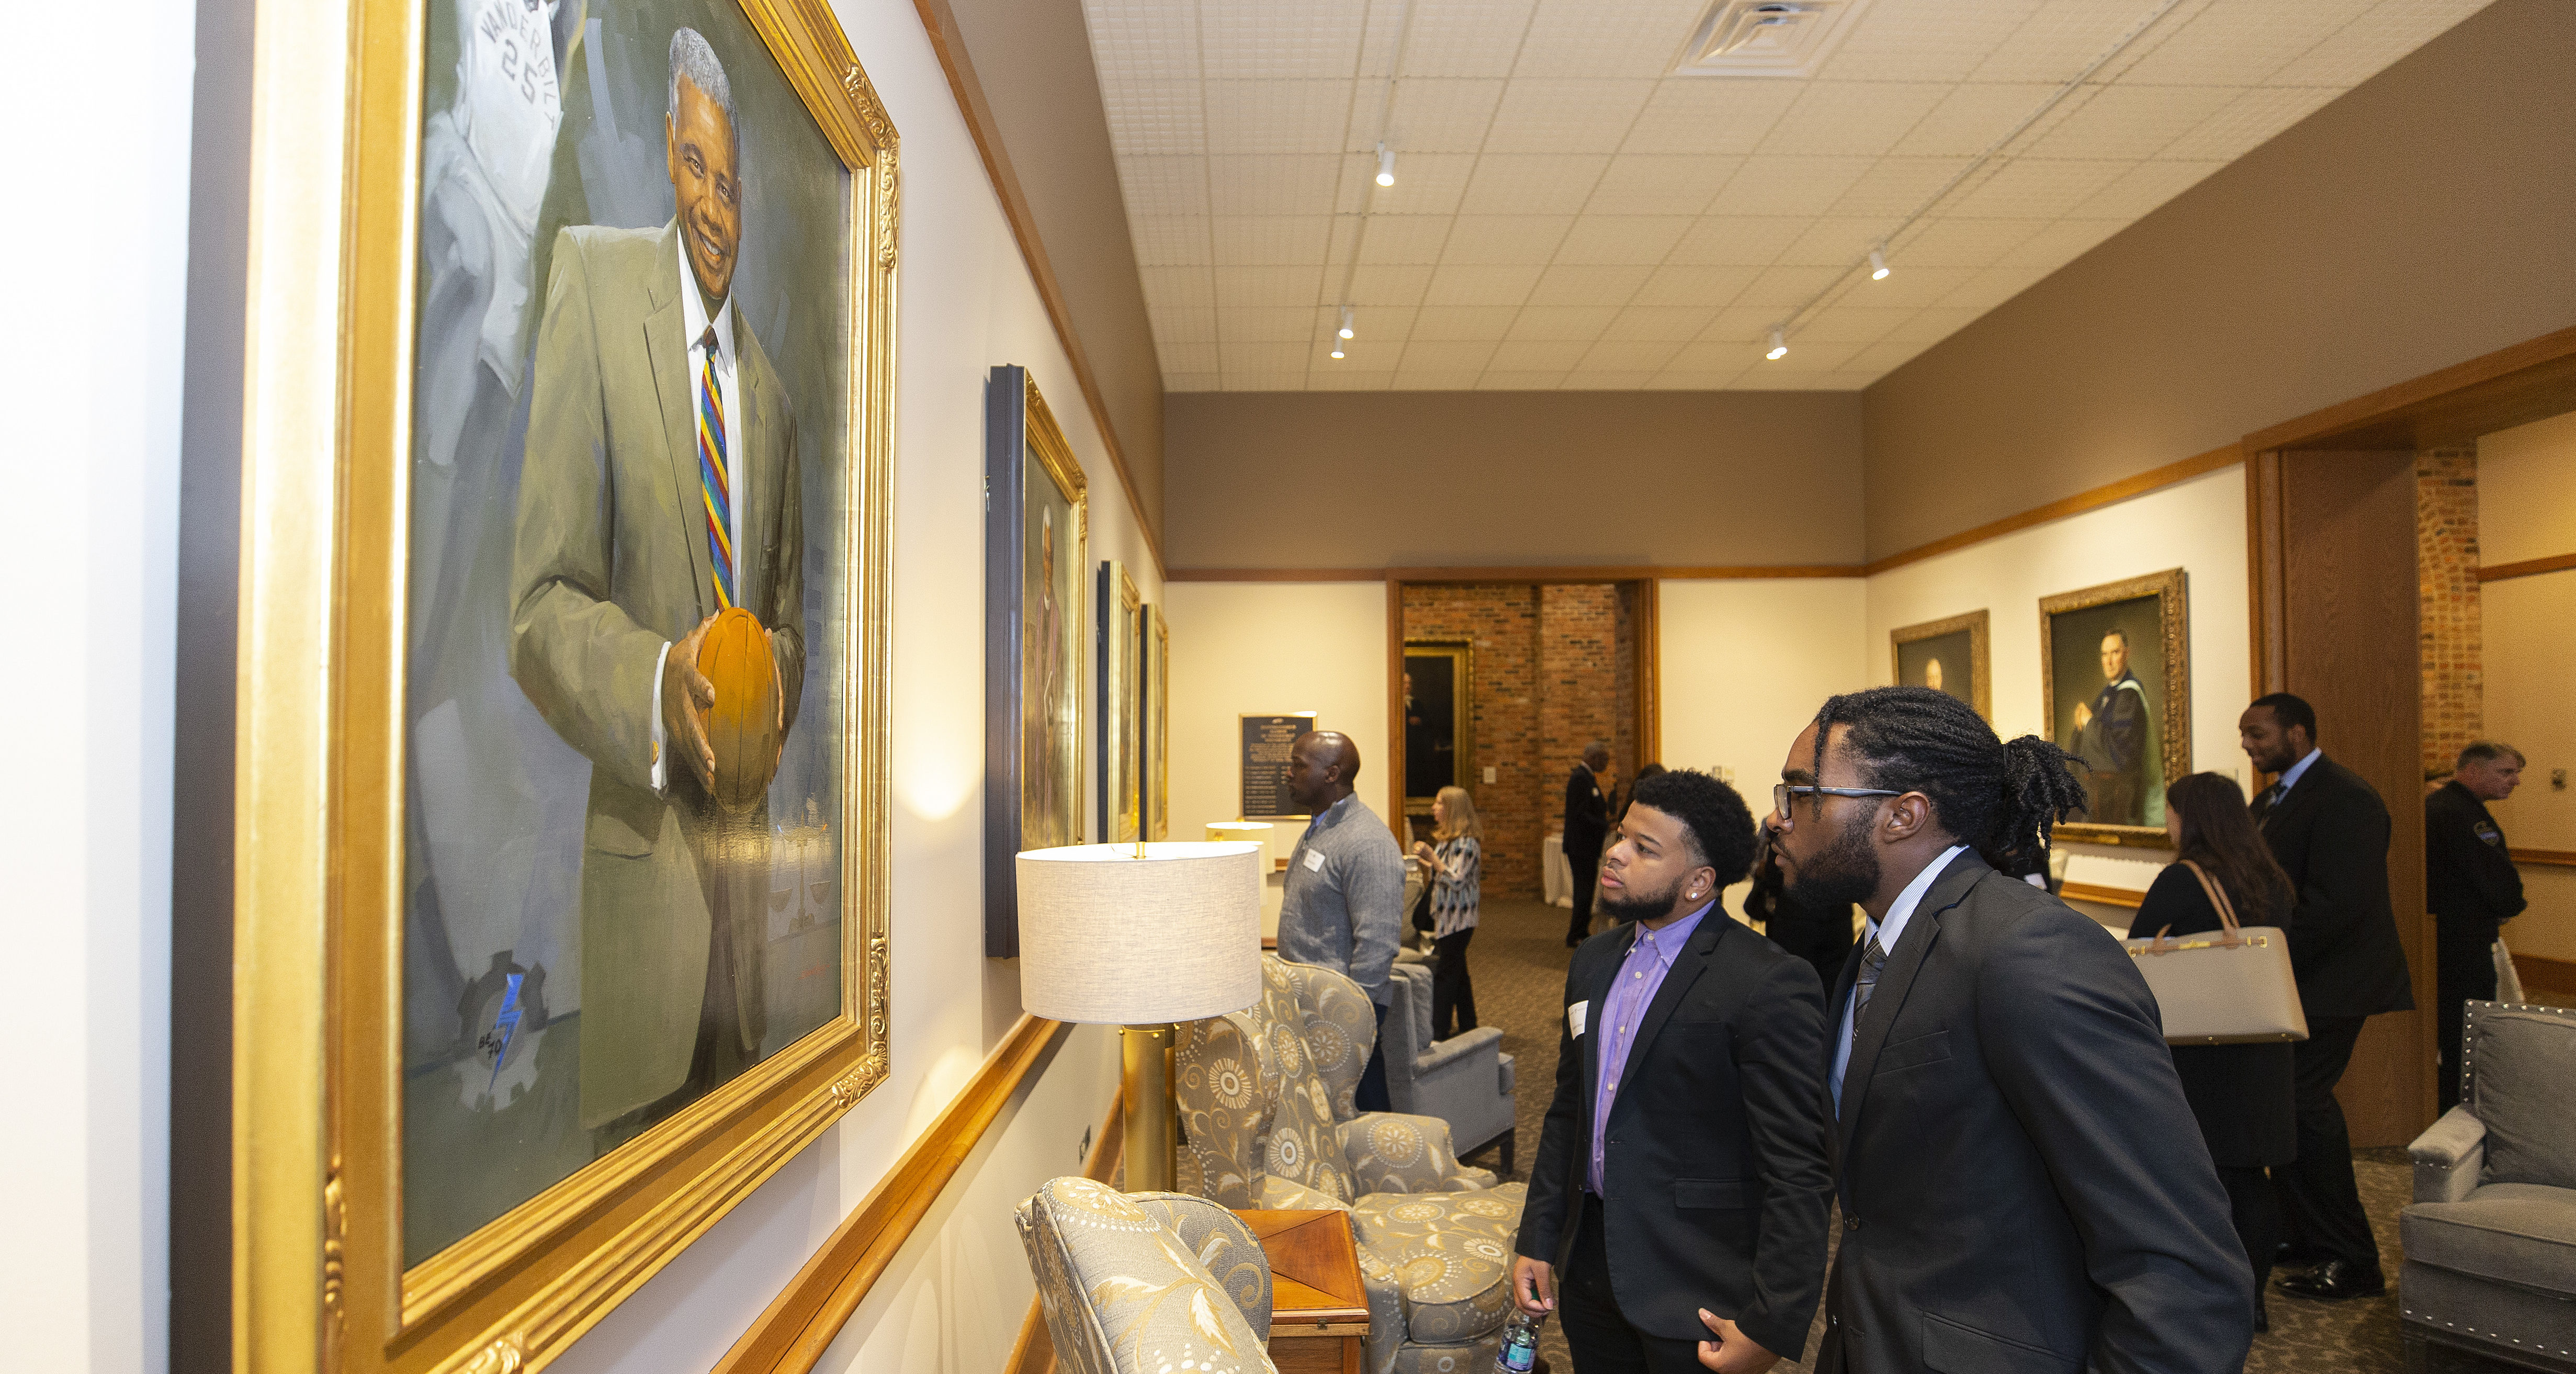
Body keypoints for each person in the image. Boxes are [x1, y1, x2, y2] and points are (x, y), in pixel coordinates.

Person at [1776, 685, 2252, 1373]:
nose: (1776, 817)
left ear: (1903, 814)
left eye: (1800, 792)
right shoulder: (1878, 947)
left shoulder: (2031, 953)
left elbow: (2182, 1270)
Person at [511, 28, 805, 1138]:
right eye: (695, 168)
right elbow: (538, 601)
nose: (714, 209)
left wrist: (763, 677)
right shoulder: (591, 283)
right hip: (640, 922)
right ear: (661, 160)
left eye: (731, 186)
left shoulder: (770, 396)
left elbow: (793, 627)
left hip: (747, 941)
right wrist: (657, 679)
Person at [1511, 770, 1831, 1374]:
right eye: (1621, 836)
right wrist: (1539, 1236)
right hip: (1590, 1266)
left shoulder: (1765, 981)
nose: (1615, 854)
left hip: (1698, 1287)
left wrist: (1773, 1322)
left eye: (1644, 848)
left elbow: (1799, 1170)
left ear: (1699, 882)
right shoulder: (1593, 960)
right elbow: (1567, 1111)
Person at [2240, 692, 2413, 1302]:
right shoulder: (2268, 799)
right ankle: (2304, 1233)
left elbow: (2338, 905)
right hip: (2292, 979)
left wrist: (2266, 957)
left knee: (2301, 1101)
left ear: (2298, 732)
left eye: (2258, 734)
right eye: (2245, 735)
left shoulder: (2347, 798)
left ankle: (2353, 1256)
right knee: (2279, 1105)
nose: (2248, 745)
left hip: (2336, 980)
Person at [2130, 772, 2300, 1332]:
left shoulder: (2183, 878)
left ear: (2191, 817)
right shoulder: (2269, 875)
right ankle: (2251, 1299)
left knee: (2200, 1177)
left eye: (2172, 813)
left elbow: (2136, 946)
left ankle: (2208, 1294)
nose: (2167, 824)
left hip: (2200, 1048)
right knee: (2252, 1174)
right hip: (2260, 1040)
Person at [1277, 730, 1406, 1112]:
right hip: (1312, 1006)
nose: (1288, 773)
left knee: (1360, 1117)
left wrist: (1351, 1019)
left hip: (1345, 1014)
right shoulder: (1322, 828)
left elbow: (1378, 942)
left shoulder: (1367, 842)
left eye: (1298, 765)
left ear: (1331, 774)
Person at [2427, 741, 2527, 1111]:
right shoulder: (2461, 814)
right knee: (2466, 1027)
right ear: (2471, 771)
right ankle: (2462, 1107)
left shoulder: (2446, 807)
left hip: (2448, 936)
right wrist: (2509, 905)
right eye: (2506, 772)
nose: (2515, 781)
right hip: (2462, 940)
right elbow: (2493, 875)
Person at [1410, 785, 1483, 1041]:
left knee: (1446, 973)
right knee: (1457, 971)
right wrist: (1427, 864)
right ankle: (1469, 1024)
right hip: (1444, 916)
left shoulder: (1468, 844)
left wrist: (1434, 859)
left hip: (1459, 919)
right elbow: (1439, 876)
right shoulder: (1446, 841)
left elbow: (1456, 880)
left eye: (1440, 803)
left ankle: (1438, 1031)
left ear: (1452, 810)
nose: (1434, 807)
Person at [1742, 827, 1851, 994]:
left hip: (1793, 916)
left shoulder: (1781, 827)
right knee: (1835, 988)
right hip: (1837, 916)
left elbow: (1770, 873)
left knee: (1792, 987)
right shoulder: (1840, 825)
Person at [2069, 629, 2149, 826]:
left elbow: (2120, 756)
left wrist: (2088, 722)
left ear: (2127, 654)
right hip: (2099, 796)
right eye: (2105, 654)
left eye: (2115, 653)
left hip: (2118, 799)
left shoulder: (2129, 695)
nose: (2109, 661)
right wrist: (2083, 720)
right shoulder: (2108, 695)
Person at [1564, 741, 1615, 947]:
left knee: (1585, 890)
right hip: (1580, 845)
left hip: (1586, 845)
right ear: (1594, 758)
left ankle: (1581, 931)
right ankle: (1576, 934)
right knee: (1583, 892)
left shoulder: (1587, 777)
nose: (1607, 764)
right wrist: (1605, 825)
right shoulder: (1580, 778)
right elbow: (1580, 814)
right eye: (1605, 759)